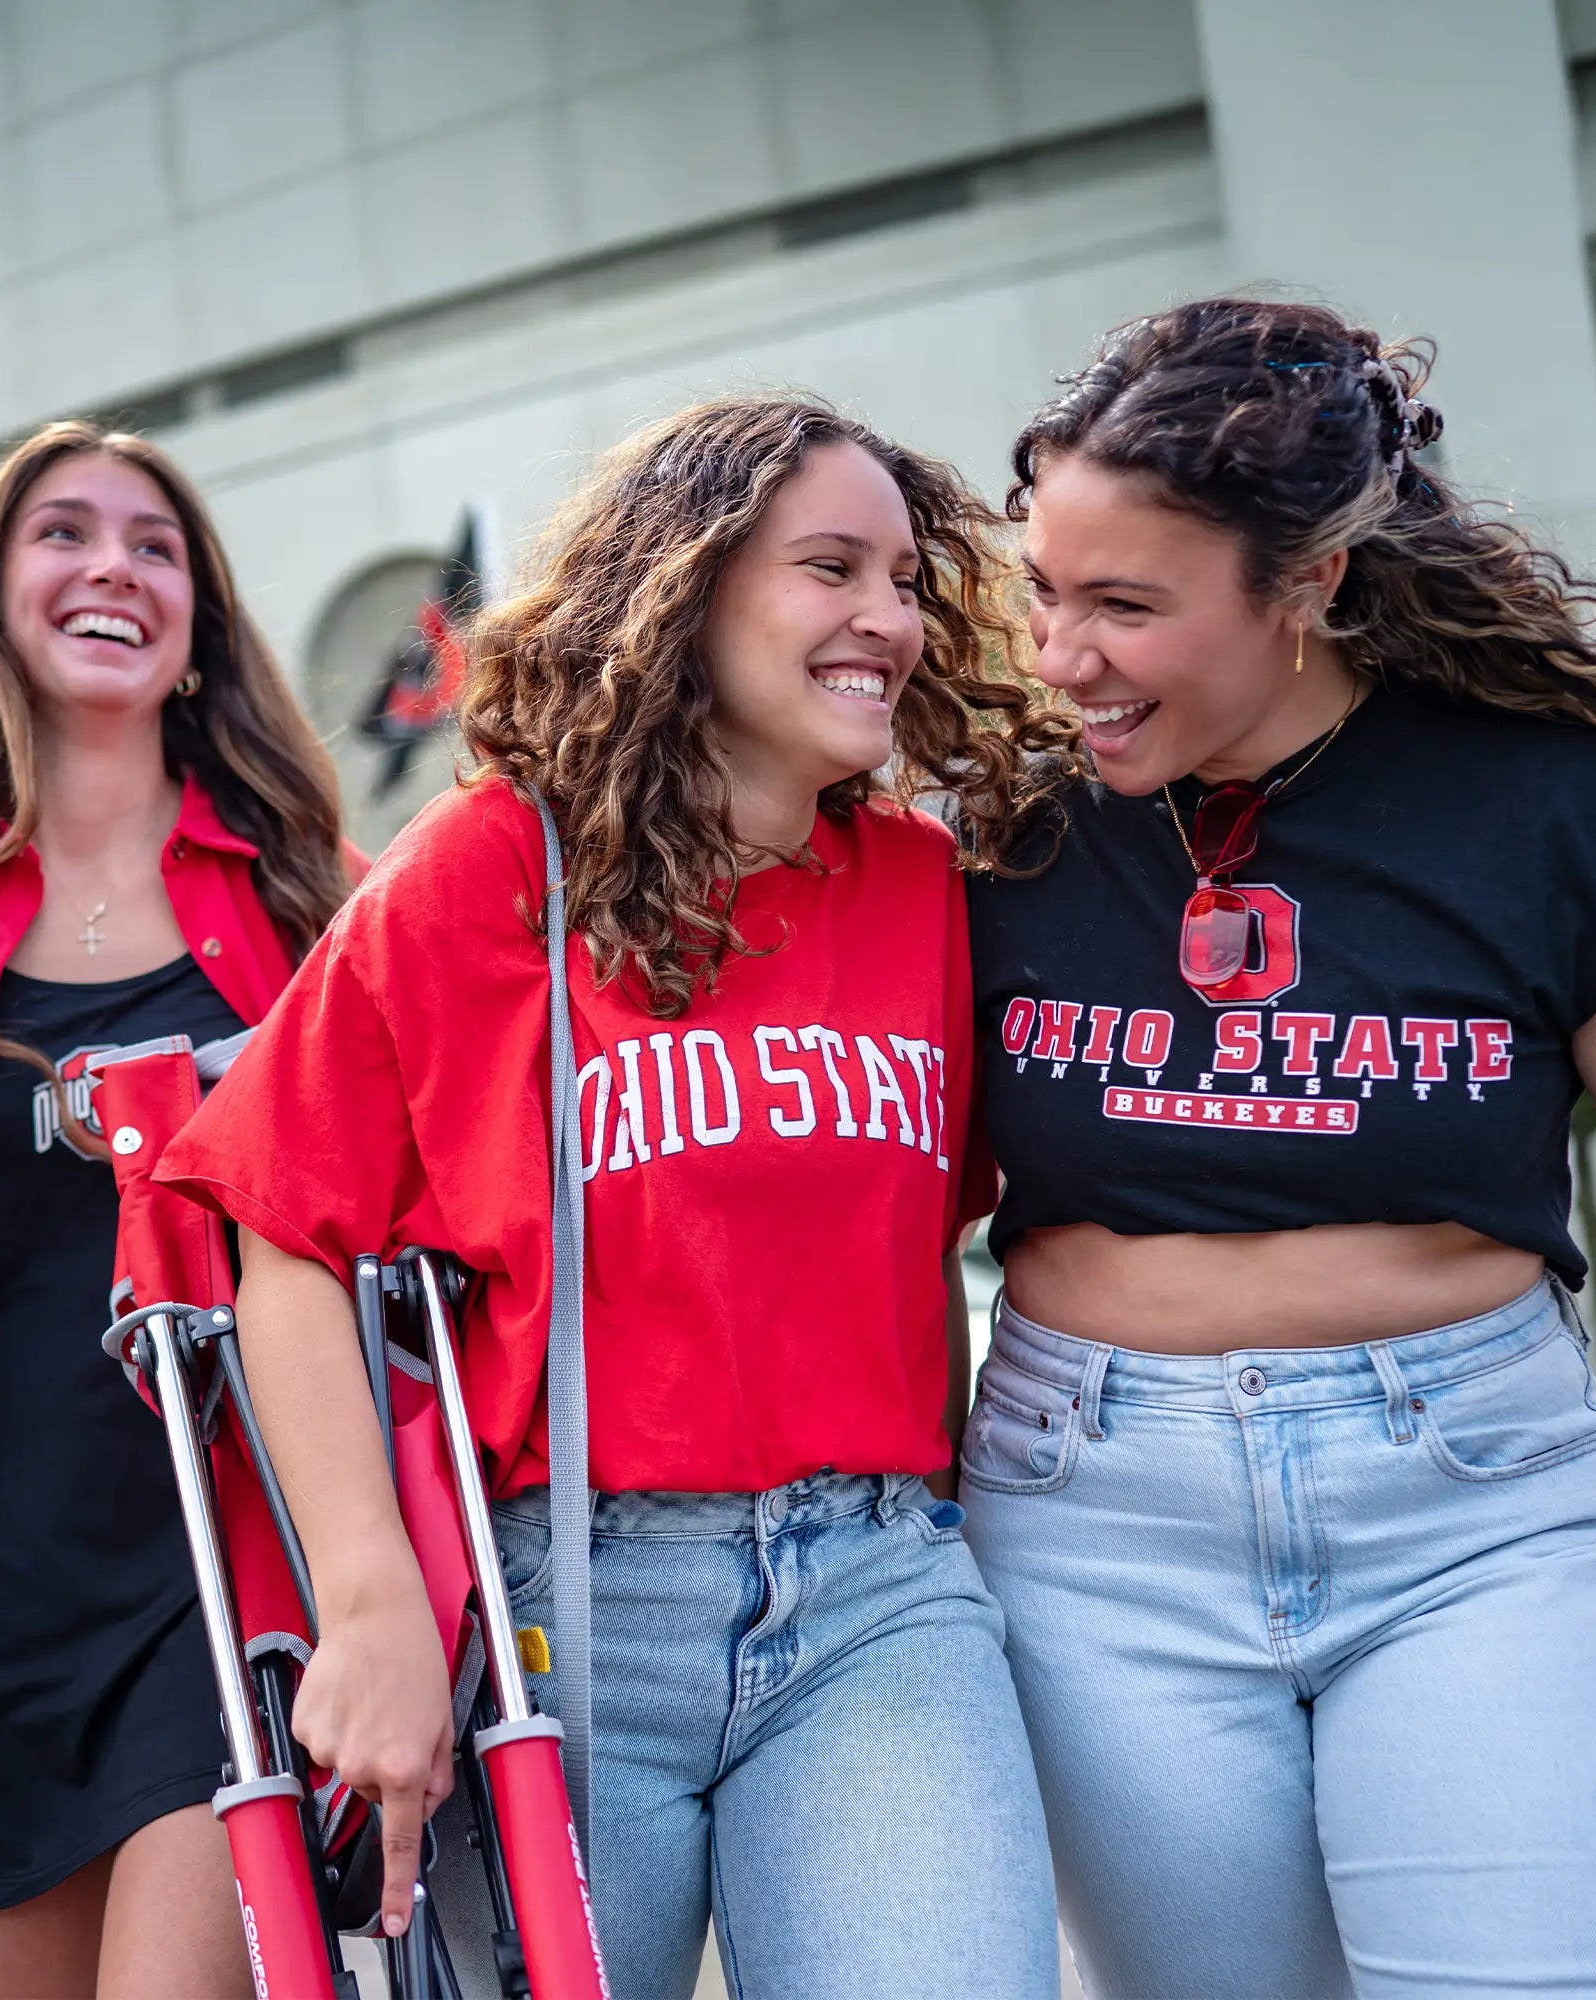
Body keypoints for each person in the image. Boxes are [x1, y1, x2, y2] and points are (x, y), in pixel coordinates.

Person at [156, 397, 1064, 2000]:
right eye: (832, 568)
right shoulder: (491, 871)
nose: (890, 621)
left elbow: (925, 1256)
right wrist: (371, 1609)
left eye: (910, 581)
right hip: (567, 1622)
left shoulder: (925, 894)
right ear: (689, 588)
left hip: (879, 1598)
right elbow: (283, 1240)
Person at [959, 298, 1596, 1997]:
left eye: (1125, 606)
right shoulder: (998, 825)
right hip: (1093, 1538)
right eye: (1043, 589)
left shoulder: (1546, 799)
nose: (1058, 658)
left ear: (1306, 584)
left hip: (1474, 1519)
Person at [0, 421, 358, 1998]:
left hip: (234, 1592)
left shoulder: (315, 905)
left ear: (197, 635)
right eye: (66, 532)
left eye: (155, 545)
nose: (113, 564)